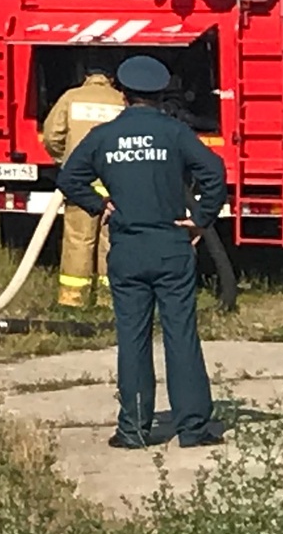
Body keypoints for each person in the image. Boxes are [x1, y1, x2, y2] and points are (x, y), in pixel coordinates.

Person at [57, 55, 229, 450]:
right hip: (171, 245)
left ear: (123, 92)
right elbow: (213, 172)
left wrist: (99, 205)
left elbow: (69, 177)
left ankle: (133, 428)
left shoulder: (104, 136)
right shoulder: (175, 132)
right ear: (160, 93)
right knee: (181, 335)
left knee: (132, 338)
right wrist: (201, 217)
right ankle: (193, 427)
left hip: (128, 248)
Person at [39, 57, 126, 310]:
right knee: (111, 241)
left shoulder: (70, 97)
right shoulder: (121, 99)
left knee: (78, 241)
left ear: (86, 75)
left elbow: (52, 136)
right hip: (114, 184)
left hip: (81, 184)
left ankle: (72, 300)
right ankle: (108, 299)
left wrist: (64, 160)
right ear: (111, 77)